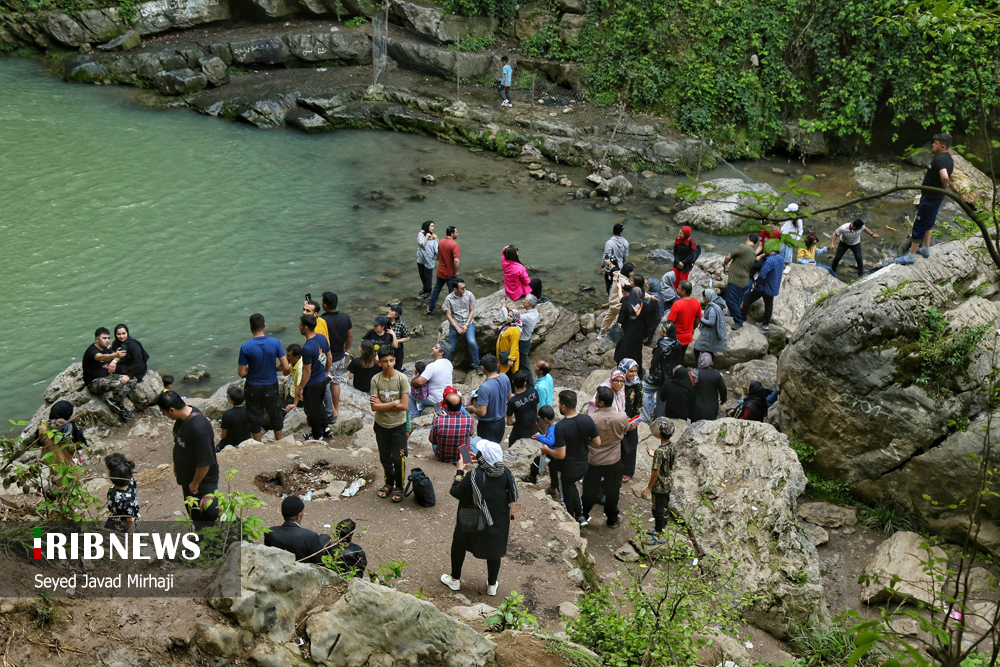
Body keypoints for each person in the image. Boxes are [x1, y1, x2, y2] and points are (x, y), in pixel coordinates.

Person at [441, 440, 519, 596]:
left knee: (459, 544)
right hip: (498, 520)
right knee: (495, 551)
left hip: (473, 519)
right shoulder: (506, 473)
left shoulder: (474, 476)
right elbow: (511, 496)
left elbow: (455, 491)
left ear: (483, 458)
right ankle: (491, 585)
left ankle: (455, 580)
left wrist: (460, 471)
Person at [156, 391, 219, 528]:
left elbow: (205, 462)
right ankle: (198, 531)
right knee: (193, 511)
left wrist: (195, 483)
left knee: (208, 512)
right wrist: (176, 464)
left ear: (172, 410)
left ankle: (208, 539)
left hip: (202, 481)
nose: (164, 415)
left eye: (164, 412)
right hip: (188, 477)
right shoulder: (181, 420)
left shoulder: (199, 427)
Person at [539, 390, 600, 526]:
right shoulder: (587, 419)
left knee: (564, 495)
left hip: (567, 468)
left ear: (564, 407)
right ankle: (580, 516)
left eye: (560, 404)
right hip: (583, 465)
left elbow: (561, 454)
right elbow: (597, 443)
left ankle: (571, 521)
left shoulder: (561, 427)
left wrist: (547, 450)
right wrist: (583, 440)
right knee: (572, 487)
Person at [897, 133, 955, 264]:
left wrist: (944, 185)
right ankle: (925, 249)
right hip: (936, 197)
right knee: (929, 222)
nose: (933, 145)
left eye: (935, 143)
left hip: (930, 198)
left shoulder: (939, 159)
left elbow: (945, 177)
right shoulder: (948, 159)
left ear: (942, 146)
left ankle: (911, 256)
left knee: (919, 224)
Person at [238, 314, 290, 442]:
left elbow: (241, 372)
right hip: (271, 385)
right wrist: (273, 368)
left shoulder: (246, 347)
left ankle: (257, 445)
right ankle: (278, 441)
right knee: (275, 413)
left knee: (254, 416)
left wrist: (252, 368)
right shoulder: (275, 342)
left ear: (250, 327)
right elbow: (286, 366)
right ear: (265, 325)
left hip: (253, 387)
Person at [583, 386, 627, 527]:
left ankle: (582, 515)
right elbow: (625, 430)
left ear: (601, 403)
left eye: (596, 398)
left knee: (589, 490)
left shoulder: (590, 419)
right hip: (614, 460)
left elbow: (585, 437)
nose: (595, 400)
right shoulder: (622, 417)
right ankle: (612, 518)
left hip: (594, 460)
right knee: (613, 491)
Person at [370, 346, 410, 503]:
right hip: (381, 425)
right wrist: (396, 402)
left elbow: (405, 406)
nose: (389, 364)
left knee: (399, 457)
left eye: (391, 361)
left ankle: (399, 486)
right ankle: (388, 483)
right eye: (385, 361)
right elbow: (374, 407)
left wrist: (383, 404)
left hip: (398, 425)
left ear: (395, 360)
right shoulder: (375, 380)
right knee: (385, 457)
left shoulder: (402, 379)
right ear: (379, 362)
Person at [83, 327, 136, 420]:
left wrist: (114, 360)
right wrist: (114, 355)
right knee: (118, 384)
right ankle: (120, 406)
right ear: (97, 339)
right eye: (104, 338)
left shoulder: (106, 348)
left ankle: (116, 397)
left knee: (132, 378)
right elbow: (101, 357)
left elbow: (118, 356)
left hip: (108, 377)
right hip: (94, 382)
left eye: (108, 338)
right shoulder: (92, 351)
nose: (107, 340)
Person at [264, 495, 332, 564]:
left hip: (280, 565)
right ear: (299, 516)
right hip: (304, 569)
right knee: (325, 538)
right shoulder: (309, 536)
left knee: (323, 537)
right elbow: (318, 561)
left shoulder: (270, 532)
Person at [298, 314, 333, 441]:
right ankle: (325, 428)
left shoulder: (307, 348)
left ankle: (317, 435)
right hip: (322, 379)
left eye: (300, 324)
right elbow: (329, 357)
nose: (299, 326)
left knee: (311, 411)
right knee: (319, 404)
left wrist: (300, 387)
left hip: (312, 384)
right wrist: (326, 371)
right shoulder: (322, 338)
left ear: (306, 328)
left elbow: (307, 372)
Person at [641, 419, 676, 544]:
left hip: (659, 486)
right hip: (668, 482)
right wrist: (655, 455)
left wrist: (648, 488)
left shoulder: (660, 452)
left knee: (657, 510)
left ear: (659, 433)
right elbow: (665, 459)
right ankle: (659, 527)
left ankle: (660, 534)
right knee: (664, 506)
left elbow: (655, 472)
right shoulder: (671, 447)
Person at [320, 292, 353, 423]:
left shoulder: (322, 321)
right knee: (336, 381)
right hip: (340, 355)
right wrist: (346, 348)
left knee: (326, 382)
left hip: (328, 358)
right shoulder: (345, 317)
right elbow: (350, 337)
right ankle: (336, 408)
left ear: (324, 305)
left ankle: (330, 409)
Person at [643, 323, 683, 422]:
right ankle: (659, 420)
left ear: (665, 331)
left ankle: (646, 418)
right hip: (670, 376)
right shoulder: (677, 343)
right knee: (662, 398)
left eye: (661, 329)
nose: (659, 330)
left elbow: (655, 361)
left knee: (644, 389)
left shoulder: (661, 344)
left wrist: (652, 373)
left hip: (658, 376)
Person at [37, 401, 88, 477]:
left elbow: (39, 443)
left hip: (53, 462)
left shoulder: (43, 428)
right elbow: (81, 444)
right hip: (69, 462)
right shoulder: (70, 427)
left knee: (57, 480)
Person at [742, 248, 784, 334]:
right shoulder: (780, 258)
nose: (764, 251)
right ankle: (765, 324)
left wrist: (756, 283)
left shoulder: (769, 262)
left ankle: (742, 318)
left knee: (747, 299)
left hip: (764, 286)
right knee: (769, 304)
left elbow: (762, 275)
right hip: (773, 286)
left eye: (765, 250)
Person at [722, 234, 759, 329]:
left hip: (735, 280)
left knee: (730, 301)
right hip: (744, 281)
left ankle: (738, 320)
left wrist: (724, 263)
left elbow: (729, 256)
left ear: (748, 239)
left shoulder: (743, 247)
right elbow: (742, 264)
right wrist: (730, 269)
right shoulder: (753, 253)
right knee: (737, 301)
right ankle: (739, 318)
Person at [471, 355, 511, 442]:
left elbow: (482, 412)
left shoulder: (484, 387)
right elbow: (509, 396)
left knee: (485, 452)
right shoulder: (504, 377)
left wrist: (473, 409)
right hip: (501, 422)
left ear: (483, 368)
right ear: (497, 366)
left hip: (487, 426)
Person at [444, 278, 481, 372]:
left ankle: (477, 364)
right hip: (455, 324)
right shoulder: (449, 299)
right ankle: (446, 367)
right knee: (451, 347)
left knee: (472, 342)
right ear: (455, 289)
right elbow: (448, 315)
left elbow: (472, 310)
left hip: (468, 323)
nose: (464, 290)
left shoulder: (469, 294)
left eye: (465, 287)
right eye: (462, 288)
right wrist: (457, 328)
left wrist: (466, 325)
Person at [430, 388, 474, 464]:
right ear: (461, 406)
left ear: (446, 407)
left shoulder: (439, 420)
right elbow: (470, 433)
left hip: (442, 458)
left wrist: (436, 422)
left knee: (436, 441)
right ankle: (467, 458)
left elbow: (432, 440)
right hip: (462, 457)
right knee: (476, 441)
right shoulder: (470, 420)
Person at [410, 341, 454, 416]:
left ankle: (415, 416)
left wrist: (412, 380)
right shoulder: (449, 363)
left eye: (436, 347)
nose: (432, 348)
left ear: (441, 352)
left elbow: (419, 382)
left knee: (408, 394)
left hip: (436, 399)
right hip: (447, 396)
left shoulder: (432, 366)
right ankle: (421, 408)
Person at [617, 359, 643, 481]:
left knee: (631, 444)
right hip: (618, 418)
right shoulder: (618, 382)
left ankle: (628, 471)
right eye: (630, 371)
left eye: (635, 371)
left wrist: (635, 421)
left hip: (631, 419)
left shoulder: (637, 384)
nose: (633, 374)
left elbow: (639, 404)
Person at [614, 282, 646, 375]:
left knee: (623, 351)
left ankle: (621, 371)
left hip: (626, 332)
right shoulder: (644, 305)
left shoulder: (626, 304)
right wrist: (646, 335)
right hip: (639, 333)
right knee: (636, 353)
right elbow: (647, 322)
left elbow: (621, 320)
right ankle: (638, 372)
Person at [520, 405, 557, 486]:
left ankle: (532, 478)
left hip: (552, 453)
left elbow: (550, 441)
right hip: (554, 452)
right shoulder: (555, 425)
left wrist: (539, 436)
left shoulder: (551, 429)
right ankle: (553, 489)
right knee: (554, 472)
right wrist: (540, 437)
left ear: (545, 419)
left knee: (538, 462)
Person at [428, 226, 460, 315]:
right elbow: (456, 260)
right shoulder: (454, 245)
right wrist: (457, 271)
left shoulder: (441, 241)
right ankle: (451, 311)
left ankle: (430, 308)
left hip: (440, 271)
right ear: (452, 234)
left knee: (436, 289)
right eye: (456, 232)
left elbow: (438, 254)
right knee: (452, 293)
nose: (457, 234)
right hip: (450, 274)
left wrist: (439, 259)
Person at [105, 453, 139, 533]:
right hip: (125, 527)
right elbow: (130, 521)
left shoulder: (111, 491)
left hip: (115, 524)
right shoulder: (131, 483)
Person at [666, 281, 701, 358]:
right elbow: (698, 318)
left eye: (678, 288)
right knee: (681, 355)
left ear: (683, 292)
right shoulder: (696, 302)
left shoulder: (677, 304)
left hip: (676, 337)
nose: (676, 289)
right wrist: (693, 328)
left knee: (673, 357)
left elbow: (670, 322)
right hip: (688, 336)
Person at [598, 262, 634, 338]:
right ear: (628, 272)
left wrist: (608, 262)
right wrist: (649, 296)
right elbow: (634, 291)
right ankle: (625, 333)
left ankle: (602, 332)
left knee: (608, 318)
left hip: (612, 301)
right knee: (629, 317)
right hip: (618, 304)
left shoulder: (617, 273)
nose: (632, 273)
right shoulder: (624, 282)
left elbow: (613, 267)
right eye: (631, 271)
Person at [506, 369, 539, 445]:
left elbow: (509, 422)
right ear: (525, 382)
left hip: (519, 432)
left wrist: (519, 419)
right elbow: (537, 409)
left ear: (513, 382)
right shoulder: (534, 392)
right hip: (533, 427)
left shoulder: (512, 401)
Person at [690, 355, 727, 421]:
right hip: (712, 408)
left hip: (696, 408)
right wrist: (723, 400)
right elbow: (723, 390)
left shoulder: (694, 373)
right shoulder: (716, 374)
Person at [694, 288, 728, 361]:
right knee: (709, 351)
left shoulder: (713, 308)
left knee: (697, 349)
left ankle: (701, 366)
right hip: (710, 333)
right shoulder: (715, 305)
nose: (703, 299)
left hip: (709, 334)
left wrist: (700, 318)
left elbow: (711, 322)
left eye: (704, 297)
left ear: (707, 297)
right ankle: (708, 366)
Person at [219, 385, 251, 450]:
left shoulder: (227, 414)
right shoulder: (249, 411)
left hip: (231, 442)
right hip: (246, 439)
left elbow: (223, 435)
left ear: (231, 401)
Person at [602, 223, 629, 294]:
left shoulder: (609, 243)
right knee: (618, 285)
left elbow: (606, 256)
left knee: (609, 286)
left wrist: (602, 266)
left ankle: (611, 300)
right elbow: (625, 256)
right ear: (620, 232)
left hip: (610, 269)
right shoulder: (625, 242)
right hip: (620, 268)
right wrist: (624, 263)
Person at [496, 305, 522, 376]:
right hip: (502, 354)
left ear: (515, 318)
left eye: (511, 316)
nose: (508, 317)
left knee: (508, 374)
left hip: (508, 357)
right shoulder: (508, 325)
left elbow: (514, 345)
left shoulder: (516, 330)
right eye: (508, 315)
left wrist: (511, 359)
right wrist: (504, 307)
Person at [519, 294, 540, 383]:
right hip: (526, 340)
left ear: (528, 303)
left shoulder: (527, 317)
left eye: (524, 300)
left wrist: (504, 308)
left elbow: (513, 318)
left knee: (525, 365)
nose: (522, 301)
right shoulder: (534, 312)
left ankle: (530, 385)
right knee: (523, 363)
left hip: (522, 342)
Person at [779, 203, 804, 275]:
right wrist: (782, 229)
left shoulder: (799, 220)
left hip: (791, 238)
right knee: (781, 249)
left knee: (788, 252)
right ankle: (782, 264)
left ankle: (788, 266)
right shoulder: (789, 218)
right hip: (784, 236)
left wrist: (797, 240)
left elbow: (800, 230)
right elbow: (785, 224)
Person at [417, 221, 439, 298]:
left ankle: (428, 291)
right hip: (421, 259)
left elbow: (436, 249)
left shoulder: (434, 238)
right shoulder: (420, 235)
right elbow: (422, 244)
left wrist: (439, 256)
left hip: (429, 260)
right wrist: (427, 237)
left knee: (428, 277)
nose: (433, 228)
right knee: (422, 275)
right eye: (431, 226)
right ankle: (424, 288)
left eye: (433, 226)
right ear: (427, 227)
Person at [386, 304, 410, 371]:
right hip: (385, 348)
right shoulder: (384, 322)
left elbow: (407, 338)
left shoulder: (401, 325)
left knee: (397, 367)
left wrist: (396, 341)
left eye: (392, 310)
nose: (389, 311)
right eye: (389, 309)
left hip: (397, 350)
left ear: (396, 315)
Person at [283, 343, 303, 410]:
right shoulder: (293, 362)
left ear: (296, 357)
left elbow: (299, 387)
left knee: (284, 412)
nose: (286, 357)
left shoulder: (300, 368)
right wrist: (285, 362)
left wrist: (294, 404)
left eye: (289, 355)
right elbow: (285, 373)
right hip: (292, 393)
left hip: (298, 397)